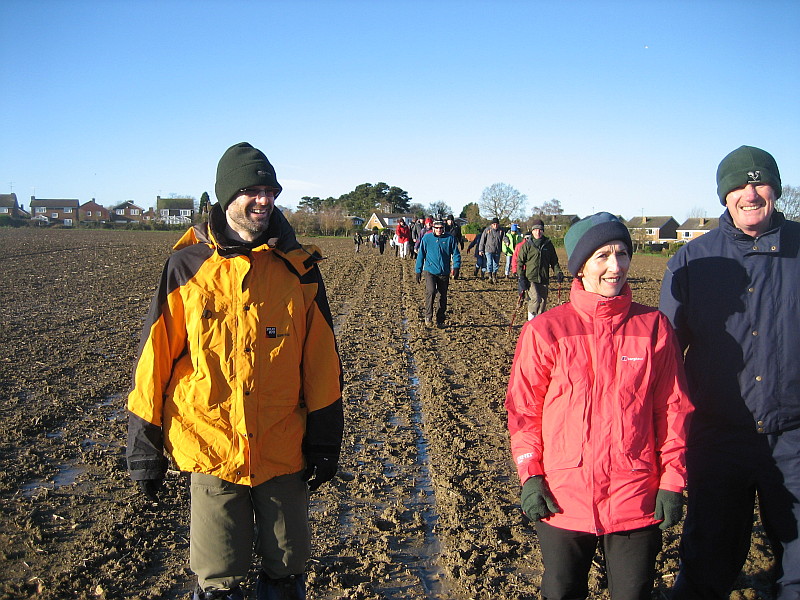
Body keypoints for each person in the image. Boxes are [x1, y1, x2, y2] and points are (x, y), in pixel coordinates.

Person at [126, 142, 344, 600]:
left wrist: (325, 441)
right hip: (212, 446)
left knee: (288, 567)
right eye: (251, 190)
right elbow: (155, 359)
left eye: (270, 190)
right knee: (218, 576)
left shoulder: (299, 269)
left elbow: (322, 361)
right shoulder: (186, 267)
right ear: (227, 196)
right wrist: (144, 447)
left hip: (282, 446)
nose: (263, 200)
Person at [507, 212, 693, 600]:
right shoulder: (545, 331)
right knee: (561, 590)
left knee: (634, 591)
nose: (616, 266)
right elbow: (525, 412)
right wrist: (530, 474)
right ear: (580, 267)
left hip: (635, 494)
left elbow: (673, 411)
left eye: (622, 253)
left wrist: (673, 480)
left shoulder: (654, 327)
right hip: (562, 495)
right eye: (603, 256)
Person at [659, 145, 800, 600]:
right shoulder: (693, 261)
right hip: (718, 437)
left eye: (759, 182)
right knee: (706, 560)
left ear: (775, 189)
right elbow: (666, 355)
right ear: (724, 195)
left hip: (795, 436)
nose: (750, 193)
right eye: (739, 185)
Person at [415, 219, 461, 328]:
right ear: (433, 228)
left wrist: (456, 267)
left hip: (444, 271)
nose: (439, 230)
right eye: (437, 228)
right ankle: (428, 316)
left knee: (442, 296)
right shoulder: (427, 238)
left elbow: (456, 254)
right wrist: (418, 270)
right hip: (430, 270)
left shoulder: (450, 239)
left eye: (441, 228)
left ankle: (440, 319)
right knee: (430, 291)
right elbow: (421, 254)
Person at [517, 219, 565, 320]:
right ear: (532, 231)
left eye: (540, 230)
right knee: (536, 299)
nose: (538, 232)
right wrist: (521, 277)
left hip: (543, 277)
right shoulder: (527, 245)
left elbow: (554, 261)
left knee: (543, 301)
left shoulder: (548, 244)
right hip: (530, 277)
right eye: (535, 230)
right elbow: (520, 262)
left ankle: (538, 322)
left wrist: (558, 272)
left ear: (543, 231)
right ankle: (531, 320)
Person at [478, 217, 505, 283]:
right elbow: (482, 240)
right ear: (491, 224)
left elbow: (505, 237)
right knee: (489, 263)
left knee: (496, 264)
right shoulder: (487, 230)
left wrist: (507, 241)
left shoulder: (501, 231)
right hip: (488, 249)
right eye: (494, 224)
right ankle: (490, 276)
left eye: (496, 224)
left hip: (497, 250)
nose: (495, 226)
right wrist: (480, 250)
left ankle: (494, 276)